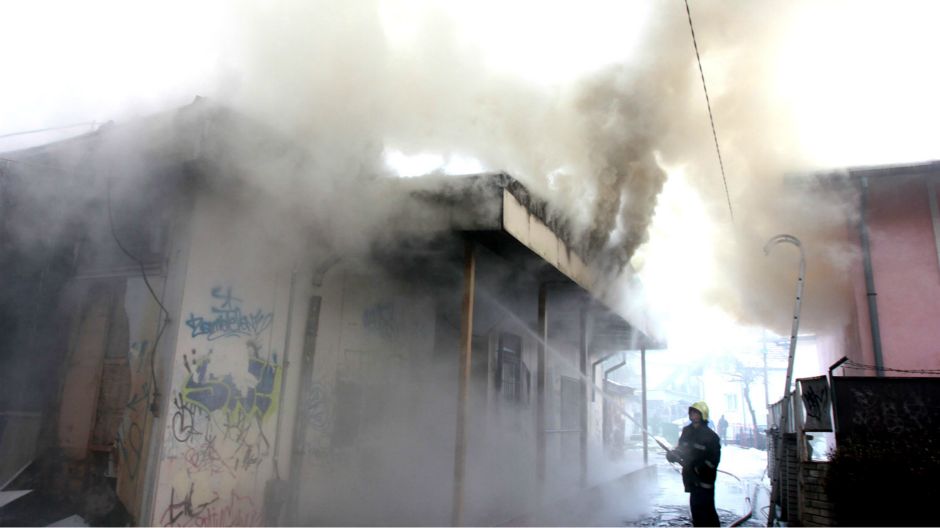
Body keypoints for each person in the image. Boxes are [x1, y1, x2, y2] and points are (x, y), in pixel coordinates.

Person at [666, 401, 722, 527]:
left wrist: (700, 468)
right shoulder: (687, 431)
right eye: (692, 412)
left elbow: (714, 459)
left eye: (696, 413)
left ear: (703, 415)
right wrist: (674, 454)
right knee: (695, 510)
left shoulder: (711, 436)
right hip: (691, 477)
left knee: (707, 510)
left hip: (704, 479)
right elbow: (682, 447)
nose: (693, 415)